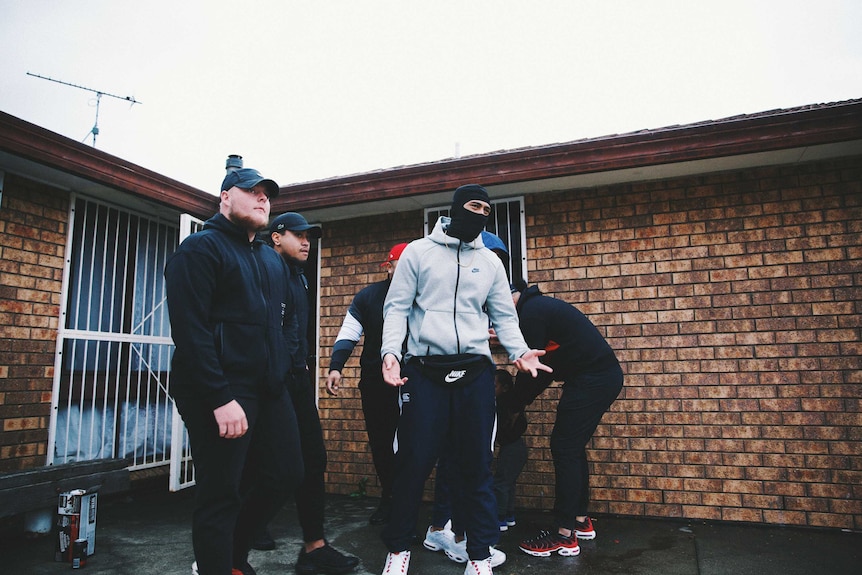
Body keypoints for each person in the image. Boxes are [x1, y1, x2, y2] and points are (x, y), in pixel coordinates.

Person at [378, 184, 552, 575]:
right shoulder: (419, 253)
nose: (481, 214)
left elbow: (504, 316)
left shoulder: (490, 262)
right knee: (414, 463)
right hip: (425, 372)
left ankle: (478, 556)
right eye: (474, 206)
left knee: (476, 466)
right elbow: (396, 308)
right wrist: (389, 353)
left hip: (474, 373)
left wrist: (520, 351)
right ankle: (398, 551)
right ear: (456, 209)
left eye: (487, 210)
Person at [164, 167, 305, 575]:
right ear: (225, 197)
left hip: (268, 387)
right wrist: (220, 397)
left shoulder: (268, 258)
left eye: (267, 195)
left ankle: (230, 559)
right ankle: (216, 566)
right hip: (219, 388)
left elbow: (283, 322)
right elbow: (190, 333)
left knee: (286, 473)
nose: (263, 199)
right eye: (253, 192)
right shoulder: (200, 250)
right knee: (221, 493)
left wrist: (283, 369)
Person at [269, 212, 360, 575]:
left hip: (296, 378)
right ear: (276, 237)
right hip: (270, 381)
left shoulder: (299, 277)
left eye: (310, 236)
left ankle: (314, 547)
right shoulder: (265, 269)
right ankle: (232, 548)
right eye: (297, 235)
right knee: (275, 467)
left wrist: (303, 369)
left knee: (313, 460)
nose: (306, 242)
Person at [507, 278, 624, 558]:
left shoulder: (531, 312)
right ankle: (580, 521)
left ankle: (564, 534)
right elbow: (545, 364)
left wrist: (514, 405)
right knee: (570, 448)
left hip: (593, 379)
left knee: (564, 447)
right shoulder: (538, 309)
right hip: (598, 377)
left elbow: (534, 368)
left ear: (513, 295)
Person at [324, 243, 408, 525]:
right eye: (400, 264)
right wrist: (336, 367)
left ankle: (406, 500)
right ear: (389, 265)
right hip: (376, 381)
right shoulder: (369, 296)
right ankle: (390, 498)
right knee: (382, 443)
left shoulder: (424, 296)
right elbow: (349, 332)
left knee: (413, 443)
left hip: (415, 381)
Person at [492, 368, 528, 532]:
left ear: (505, 388)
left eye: (494, 386)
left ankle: (500, 519)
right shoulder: (506, 403)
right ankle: (509, 515)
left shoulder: (504, 403)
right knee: (508, 483)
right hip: (514, 447)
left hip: (513, 448)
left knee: (501, 483)